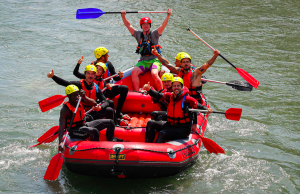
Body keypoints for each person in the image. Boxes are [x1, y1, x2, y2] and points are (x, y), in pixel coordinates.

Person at [152, 48, 219, 130]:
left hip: (194, 103)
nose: (185, 64)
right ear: (181, 64)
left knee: (188, 105)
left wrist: (215, 56)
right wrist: (157, 55)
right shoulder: (179, 71)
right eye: (183, 62)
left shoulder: (196, 73)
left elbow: (207, 64)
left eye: (187, 62)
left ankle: (193, 125)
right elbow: (166, 64)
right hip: (182, 101)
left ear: (190, 63)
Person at [144, 77, 213, 143]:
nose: (176, 88)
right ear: (172, 87)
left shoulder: (187, 99)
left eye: (178, 86)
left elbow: (198, 106)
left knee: (163, 133)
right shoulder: (170, 96)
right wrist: (149, 89)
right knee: (150, 123)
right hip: (171, 124)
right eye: (174, 86)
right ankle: (147, 146)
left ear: (182, 87)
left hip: (183, 129)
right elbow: (158, 95)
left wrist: (207, 109)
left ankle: (155, 152)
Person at [121, 9, 172, 91]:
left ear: (150, 25)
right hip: (144, 61)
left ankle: (161, 93)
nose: (146, 26)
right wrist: (123, 17)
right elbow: (128, 25)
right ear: (141, 26)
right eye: (144, 24)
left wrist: (168, 16)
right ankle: (137, 92)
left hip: (154, 60)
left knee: (154, 74)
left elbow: (163, 25)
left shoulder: (155, 34)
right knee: (134, 72)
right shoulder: (138, 34)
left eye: (147, 24)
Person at [47, 65, 117, 124]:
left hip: (91, 111)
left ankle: (113, 131)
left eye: (92, 74)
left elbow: (105, 101)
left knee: (109, 110)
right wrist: (53, 76)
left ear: (95, 75)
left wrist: (100, 107)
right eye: (88, 73)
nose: (90, 76)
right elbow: (65, 83)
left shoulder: (96, 87)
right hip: (81, 114)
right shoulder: (79, 85)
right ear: (85, 74)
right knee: (89, 118)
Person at [58, 85, 115, 151]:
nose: (77, 97)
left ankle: (110, 146)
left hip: (83, 125)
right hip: (73, 131)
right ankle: (96, 151)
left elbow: (94, 103)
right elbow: (61, 127)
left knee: (110, 122)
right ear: (68, 96)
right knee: (94, 131)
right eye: (74, 96)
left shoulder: (80, 100)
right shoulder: (65, 109)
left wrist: (84, 97)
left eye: (78, 95)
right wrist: (60, 142)